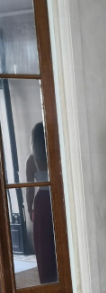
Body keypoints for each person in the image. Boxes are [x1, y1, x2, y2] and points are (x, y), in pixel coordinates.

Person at [25, 121, 57, 284]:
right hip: (56, 199)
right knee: (57, 238)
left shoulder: (31, 160)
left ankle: (47, 277)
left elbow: (29, 189)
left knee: (42, 240)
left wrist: (30, 208)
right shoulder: (55, 155)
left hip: (41, 203)